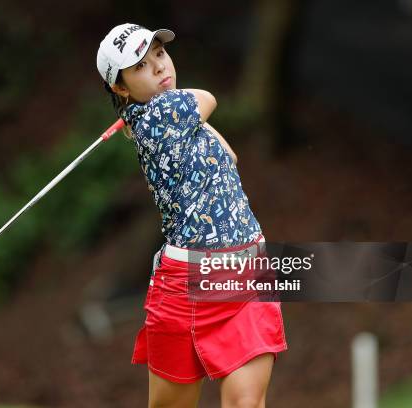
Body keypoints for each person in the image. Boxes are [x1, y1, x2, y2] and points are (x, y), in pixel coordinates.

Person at [97, 23, 288, 408]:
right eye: (140, 67)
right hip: (186, 285)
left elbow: (228, 158)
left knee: (246, 403)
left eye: (160, 55)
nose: (158, 68)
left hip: (243, 271)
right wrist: (164, 109)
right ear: (121, 88)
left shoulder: (171, 118)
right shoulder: (158, 117)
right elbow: (208, 96)